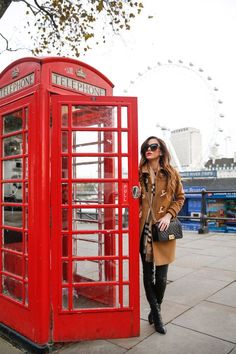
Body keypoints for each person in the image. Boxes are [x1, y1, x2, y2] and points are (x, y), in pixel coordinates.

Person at [139, 136, 185, 334]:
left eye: (153, 146)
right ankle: (157, 317)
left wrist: (169, 215)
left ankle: (153, 311)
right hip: (144, 230)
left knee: (162, 278)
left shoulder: (171, 173)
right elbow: (129, 195)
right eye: (146, 147)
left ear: (161, 151)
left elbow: (180, 198)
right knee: (148, 276)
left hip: (163, 230)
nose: (148, 149)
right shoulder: (138, 173)